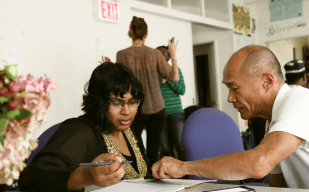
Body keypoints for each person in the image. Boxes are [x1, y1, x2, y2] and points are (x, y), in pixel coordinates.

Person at [151, 45, 309, 191]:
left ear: (267, 81)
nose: (229, 98)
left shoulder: (302, 102)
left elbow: (258, 164)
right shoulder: (275, 120)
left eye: (235, 88)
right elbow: (278, 182)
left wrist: (184, 167)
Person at [19, 62, 150, 192]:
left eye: (132, 102)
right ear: (100, 102)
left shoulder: (129, 129)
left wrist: (161, 171)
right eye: (116, 103)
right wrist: (85, 176)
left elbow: (141, 176)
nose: (126, 111)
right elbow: (31, 179)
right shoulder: (81, 131)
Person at [116, 16, 179, 166]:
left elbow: (119, 82)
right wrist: (173, 54)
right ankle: (154, 183)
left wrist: (109, 67)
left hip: (134, 109)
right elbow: (174, 77)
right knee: (153, 152)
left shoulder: (121, 55)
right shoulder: (154, 53)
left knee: (136, 151)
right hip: (157, 108)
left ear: (130, 32)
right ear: (146, 34)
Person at [156, 45, 186, 161]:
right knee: (166, 148)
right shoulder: (153, 74)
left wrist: (168, 79)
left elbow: (181, 90)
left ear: (168, 56)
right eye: (158, 53)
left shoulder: (176, 70)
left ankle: (185, 174)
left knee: (181, 146)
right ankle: (169, 174)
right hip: (160, 114)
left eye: (163, 52)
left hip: (176, 113)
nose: (160, 55)